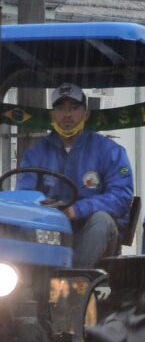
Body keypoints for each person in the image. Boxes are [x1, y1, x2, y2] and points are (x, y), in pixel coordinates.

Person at [17, 83, 133, 269]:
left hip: (93, 233)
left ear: (86, 113)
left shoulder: (109, 151)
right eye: (61, 108)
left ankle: (73, 282)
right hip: (49, 233)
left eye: (74, 108)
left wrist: (77, 210)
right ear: (52, 115)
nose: (67, 114)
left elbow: (121, 197)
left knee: (102, 220)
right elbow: (24, 195)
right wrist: (46, 211)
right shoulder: (35, 154)